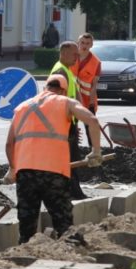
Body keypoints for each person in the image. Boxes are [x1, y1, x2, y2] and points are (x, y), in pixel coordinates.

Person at [5, 75, 103, 243]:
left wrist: (12, 168)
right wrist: (96, 151)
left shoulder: (21, 108)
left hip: (26, 173)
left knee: (27, 223)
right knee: (63, 223)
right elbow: (92, 120)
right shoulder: (65, 102)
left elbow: (9, 144)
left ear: (45, 88)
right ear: (63, 90)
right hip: (54, 173)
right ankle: (69, 254)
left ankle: (24, 255)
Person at [50, 40, 88, 199]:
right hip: (64, 124)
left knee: (72, 158)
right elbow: (59, 100)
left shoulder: (66, 70)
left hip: (68, 122)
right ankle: (72, 193)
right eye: (74, 54)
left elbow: (73, 96)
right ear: (64, 52)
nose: (77, 58)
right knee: (70, 160)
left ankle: (74, 192)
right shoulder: (60, 72)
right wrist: (68, 126)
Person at [73, 32, 101, 114]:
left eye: (87, 43)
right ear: (78, 43)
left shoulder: (96, 63)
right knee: (70, 126)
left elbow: (94, 85)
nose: (84, 46)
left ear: (91, 45)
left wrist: (91, 104)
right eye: (82, 43)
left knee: (90, 126)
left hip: (87, 101)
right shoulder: (70, 57)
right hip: (71, 99)